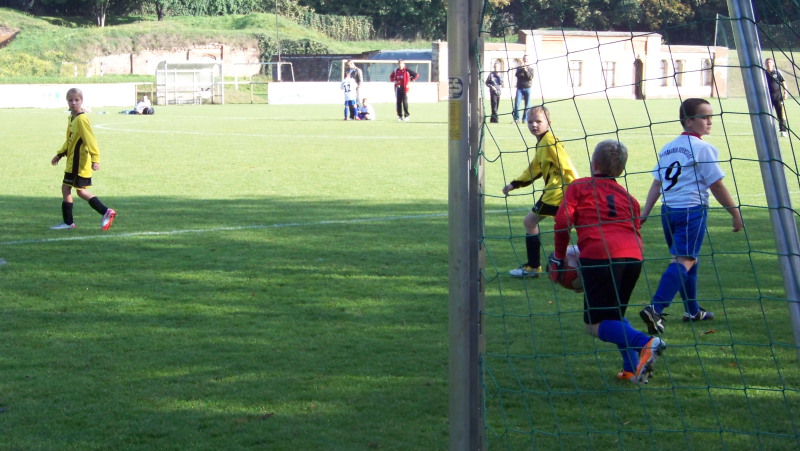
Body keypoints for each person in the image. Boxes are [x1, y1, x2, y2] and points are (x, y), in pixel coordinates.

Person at [552, 139, 665, 384]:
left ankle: (645, 343)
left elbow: (562, 222)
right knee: (614, 316)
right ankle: (631, 368)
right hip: (634, 257)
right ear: (621, 169)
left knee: (593, 325)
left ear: (593, 163)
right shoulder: (630, 199)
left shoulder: (579, 187)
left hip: (600, 254)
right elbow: (635, 229)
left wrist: (559, 257)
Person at [639, 98, 744, 335]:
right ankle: (655, 308)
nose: (710, 121)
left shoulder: (668, 147)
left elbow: (657, 183)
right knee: (683, 260)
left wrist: (645, 213)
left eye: (711, 117)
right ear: (688, 121)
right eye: (704, 117)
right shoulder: (703, 148)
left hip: (668, 211)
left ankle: (693, 311)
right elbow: (717, 185)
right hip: (691, 210)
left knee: (689, 259)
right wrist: (735, 213)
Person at [503, 105, 578, 278]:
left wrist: (578, 187)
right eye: (530, 122)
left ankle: (533, 267)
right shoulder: (543, 142)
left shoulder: (550, 142)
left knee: (530, 222)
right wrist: (515, 184)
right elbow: (535, 168)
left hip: (556, 194)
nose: (534, 125)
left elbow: (566, 165)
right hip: (556, 192)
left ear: (548, 123)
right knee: (578, 225)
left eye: (538, 121)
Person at [50, 88, 117, 231]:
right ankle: (105, 212)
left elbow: (90, 139)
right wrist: (60, 154)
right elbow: (70, 140)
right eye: (70, 100)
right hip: (72, 161)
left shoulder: (81, 119)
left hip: (78, 162)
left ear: (82, 101)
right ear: (67, 101)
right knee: (79, 191)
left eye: (77, 100)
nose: (73, 103)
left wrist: (95, 159)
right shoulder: (72, 118)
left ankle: (70, 222)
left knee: (67, 188)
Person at [765, 58, 789, 137]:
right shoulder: (763, 73)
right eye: (767, 63)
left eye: (770, 62)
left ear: (772, 63)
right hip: (767, 97)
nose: (768, 64)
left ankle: (783, 131)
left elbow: (783, 82)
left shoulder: (777, 72)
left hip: (778, 97)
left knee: (780, 114)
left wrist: (785, 92)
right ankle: (768, 130)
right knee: (767, 114)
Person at [512, 55, 534, 123]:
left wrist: (526, 71)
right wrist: (521, 69)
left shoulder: (531, 69)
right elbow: (516, 75)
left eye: (526, 59)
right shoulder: (519, 68)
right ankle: (516, 119)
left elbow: (530, 77)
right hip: (520, 88)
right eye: (524, 59)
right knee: (517, 104)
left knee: (527, 105)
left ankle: (525, 119)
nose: (525, 60)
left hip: (527, 88)